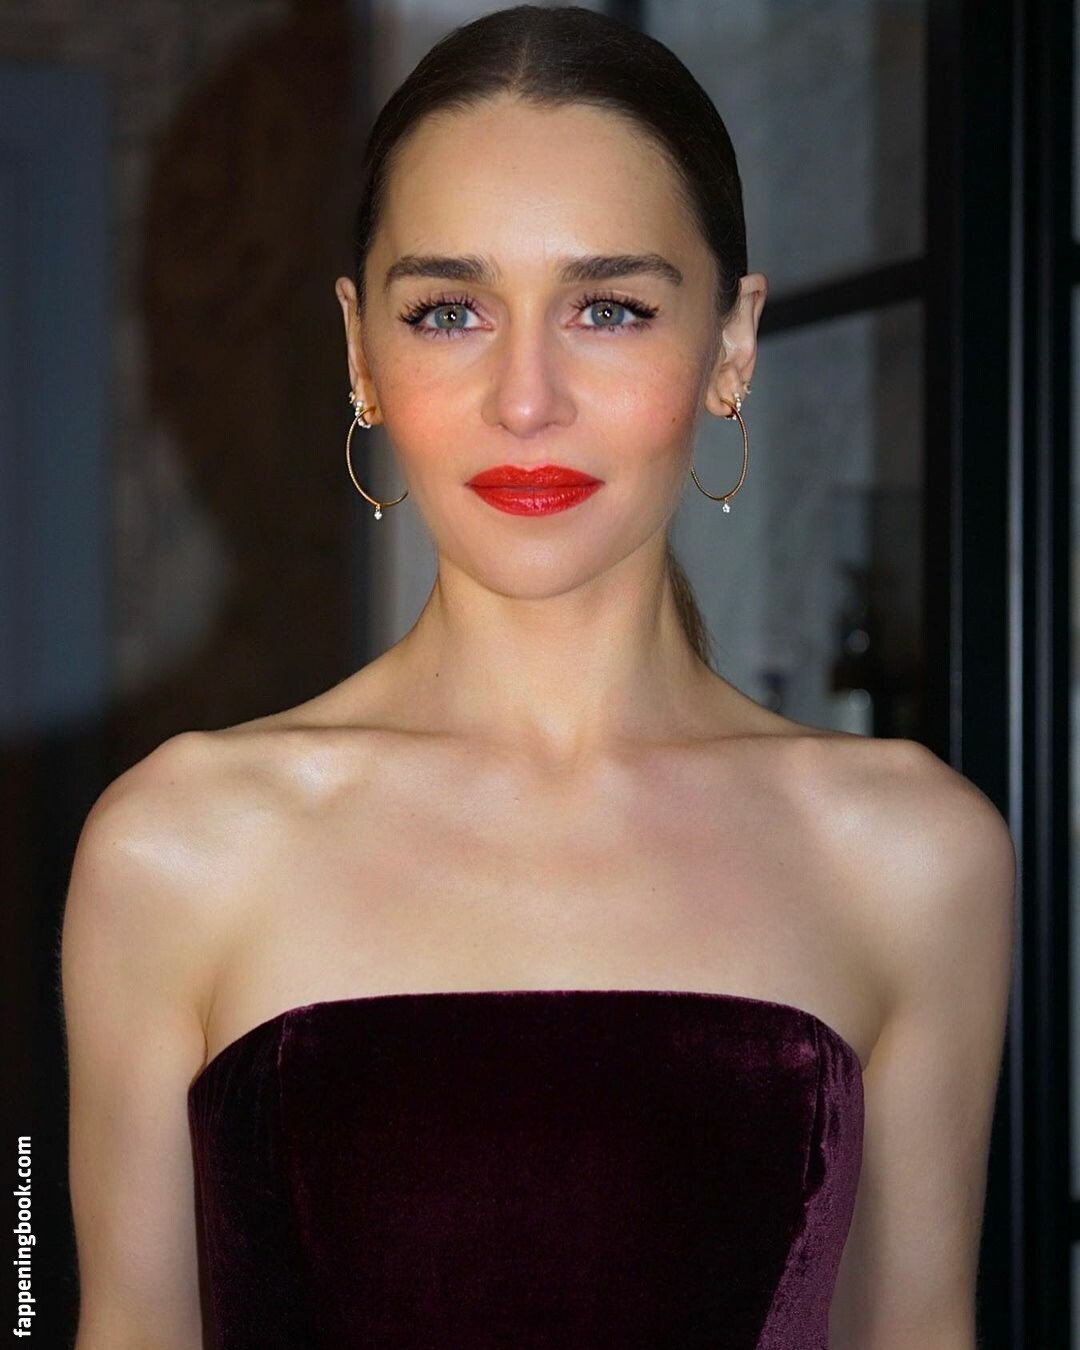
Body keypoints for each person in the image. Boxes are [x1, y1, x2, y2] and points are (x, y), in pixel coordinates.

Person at [61, 5, 1016, 1346]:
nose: (525, 399)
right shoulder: (179, 847)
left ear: (732, 344)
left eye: (608, 308)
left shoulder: (910, 855)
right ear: (361, 352)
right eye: (449, 310)